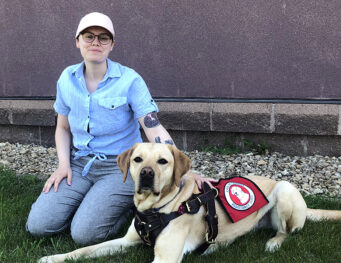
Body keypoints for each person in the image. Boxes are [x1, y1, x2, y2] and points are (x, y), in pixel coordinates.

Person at [26, 12, 216, 245]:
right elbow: (63, 128)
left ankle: (125, 207)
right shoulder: (67, 79)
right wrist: (63, 165)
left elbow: (153, 128)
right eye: (88, 36)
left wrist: (183, 172)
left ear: (112, 44)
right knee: (38, 226)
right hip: (79, 164)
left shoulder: (130, 80)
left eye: (103, 38)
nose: (95, 42)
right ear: (77, 41)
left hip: (121, 167)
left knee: (84, 234)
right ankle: (91, 201)